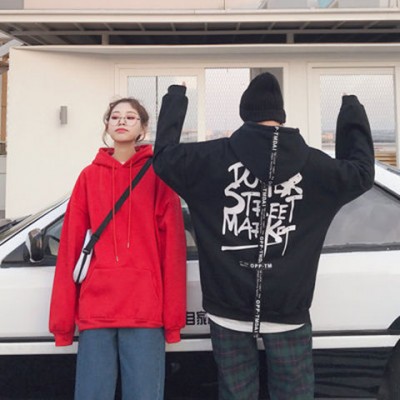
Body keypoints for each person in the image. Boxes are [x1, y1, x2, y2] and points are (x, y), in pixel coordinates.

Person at [152, 73, 374, 400]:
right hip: (288, 309)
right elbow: (361, 172)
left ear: (245, 112)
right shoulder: (316, 166)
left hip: (227, 306)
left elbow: (164, 158)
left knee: (236, 393)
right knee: (294, 394)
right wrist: (350, 110)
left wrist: (177, 96)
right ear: (280, 115)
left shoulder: (210, 159)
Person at [49, 97, 187, 400]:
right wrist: (62, 323)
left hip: (144, 308)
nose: (122, 121)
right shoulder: (89, 177)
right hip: (97, 308)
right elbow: (70, 248)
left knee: (144, 394)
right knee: (91, 394)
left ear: (143, 128)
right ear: (107, 125)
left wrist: (173, 320)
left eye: (130, 117)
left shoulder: (158, 176)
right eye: (115, 117)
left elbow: (173, 253)